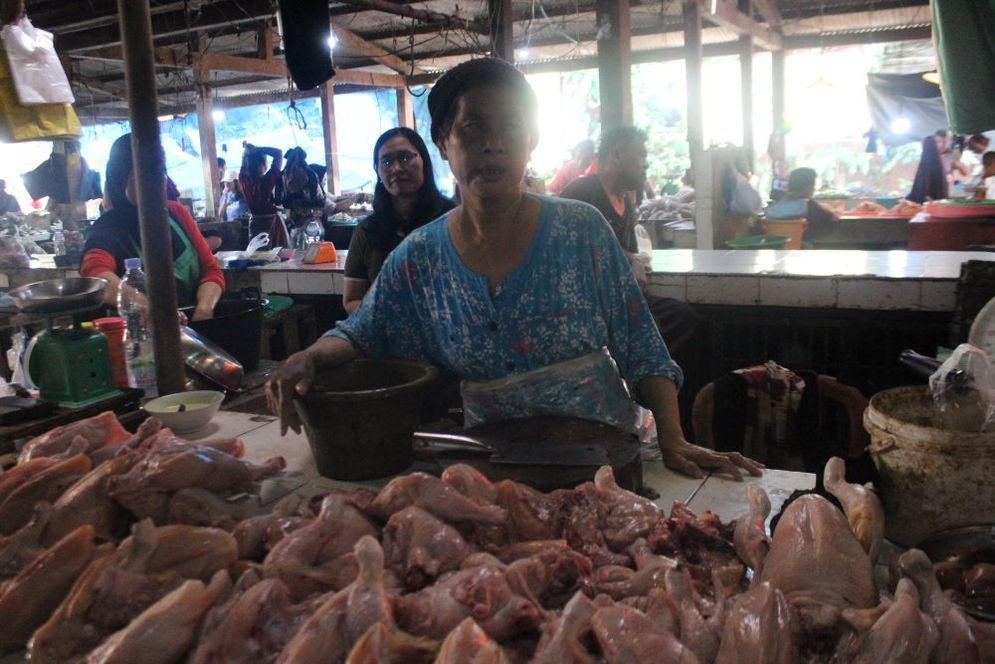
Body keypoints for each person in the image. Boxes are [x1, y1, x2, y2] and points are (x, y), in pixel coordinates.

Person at [267, 57, 761, 482]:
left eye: (510, 127)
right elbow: (363, 330)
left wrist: (674, 441)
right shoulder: (419, 257)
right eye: (473, 127)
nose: (493, 143)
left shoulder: (580, 230)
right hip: (493, 467)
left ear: (532, 140)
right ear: (443, 143)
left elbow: (641, 346)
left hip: (605, 460)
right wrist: (308, 356)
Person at [560, 127, 698, 354]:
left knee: (682, 317)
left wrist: (637, 260)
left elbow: (631, 257)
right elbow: (569, 252)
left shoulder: (627, 205)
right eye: (641, 156)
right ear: (617, 155)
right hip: (590, 308)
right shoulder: (581, 194)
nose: (646, 164)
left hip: (622, 303)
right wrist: (629, 258)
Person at [80, 133, 224, 321]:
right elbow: (98, 278)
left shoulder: (177, 214)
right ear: (120, 178)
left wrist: (204, 309)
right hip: (141, 337)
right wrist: (152, 308)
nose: (154, 179)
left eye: (158, 170)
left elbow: (211, 270)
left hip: (193, 326)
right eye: (138, 173)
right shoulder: (108, 228)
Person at [343, 127, 454, 314]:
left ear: (424, 161)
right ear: (378, 171)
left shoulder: (453, 220)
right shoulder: (367, 231)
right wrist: (392, 318)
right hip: (387, 338)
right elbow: (352, 301)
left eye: (405, 157)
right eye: (386, 161)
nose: (396, 168)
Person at [239, 143, 287, 247]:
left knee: (257, 255)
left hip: (254, 224)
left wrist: (247, 153)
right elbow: (279, 153)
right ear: (262, 164)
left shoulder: (243, 180)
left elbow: (243, 164)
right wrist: (258, 149)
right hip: (271, 224)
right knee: (274, 256)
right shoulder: (266, 181)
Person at [781, 167, 837, 242]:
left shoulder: (781, 203)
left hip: (782, 246)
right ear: (810, 187)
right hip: (804, 247)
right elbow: (831, 218)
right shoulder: (807, 204)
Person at [908, 135, 948, 203]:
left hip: (926, 203)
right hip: (939, 204)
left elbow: (922, 184)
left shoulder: (925, 161)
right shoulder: (939, 163)